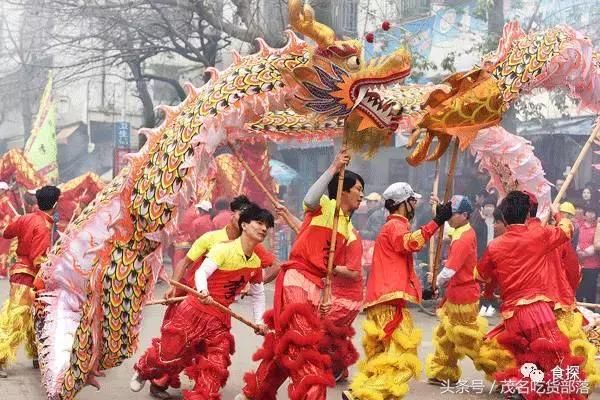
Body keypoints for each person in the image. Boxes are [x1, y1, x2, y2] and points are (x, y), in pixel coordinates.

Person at [237, 148, 363, 400]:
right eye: (358, 188)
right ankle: (312, 394)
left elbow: (326, 259)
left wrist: (326, 298)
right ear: (344, 189)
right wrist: (334, 167)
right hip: (297, 280)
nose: (361, 195)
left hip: (317, 288)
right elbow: (311, 197)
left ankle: (257, 390)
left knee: (289, 342)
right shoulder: (325, 206)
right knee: (305, 345)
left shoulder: (349, 229)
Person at [134, 197, 277, 398]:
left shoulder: (256, 255)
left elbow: (259, 292)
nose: (263, 229)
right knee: (172, 353)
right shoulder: (216, 242)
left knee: (215, 365)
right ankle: (148, 372)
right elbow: (195, 269)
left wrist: (258, 320)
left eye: (266, 226)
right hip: (194, 306)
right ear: (241, 220)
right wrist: (196, 291)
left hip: (219, 319)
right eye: (259, 223)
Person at [342, 182, 452, 400]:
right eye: (413, 201)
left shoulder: (393, 226)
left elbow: (402, 268)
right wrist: (437, 221)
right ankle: (363, 396)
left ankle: (358, 391)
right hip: (388, 303)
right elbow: (410, 244)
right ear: (404, 204)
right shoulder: (395, 226)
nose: (415, 205)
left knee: (386, 357)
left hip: (386, 301)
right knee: (404, 359)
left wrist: (424, 292)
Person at [476, 191, 587, 398]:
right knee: (558, 362)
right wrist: (558, 215)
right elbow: (566, 230)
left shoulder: (495, 245)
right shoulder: (538, 235)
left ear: (504, 216)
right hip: (536, 311)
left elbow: (480, 275)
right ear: (527, 214)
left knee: (528, 361)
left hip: (511, 316)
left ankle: (527, 391)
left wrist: (493, 286)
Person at [425, 195, 488, 386]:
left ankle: (499, 368)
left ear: (465, 215)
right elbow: (447, 229)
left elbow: (450, 270)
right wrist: (437, 207)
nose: (449, 217)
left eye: (453, 214)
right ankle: (443, 371)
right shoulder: (462, 230)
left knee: (468, 340)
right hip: (455, 295)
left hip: (464, 297)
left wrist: (434, 281)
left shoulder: (464, 237)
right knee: (446, 336)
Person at [0, 185, 61, 378]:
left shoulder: (27, 218)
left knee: (36, 317)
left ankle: (38, 356)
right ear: (56, 204)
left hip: (21, 273)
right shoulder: (43, 227)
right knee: (16, 320)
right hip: (28, 277)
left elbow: (7, 232)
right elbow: (38, 259)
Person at [576, 204, 600, 303]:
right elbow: (574, 239)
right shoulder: (579, 226)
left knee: (591, 290)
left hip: (592, 264)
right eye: (588, 212)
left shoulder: (597, 227)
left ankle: (591, 313)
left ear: (595, 215)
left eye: (592, 213)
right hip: (579, 263)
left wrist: (587, 252)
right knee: (579, 289)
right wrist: (577, 249)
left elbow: (597, 243)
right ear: (585, 214)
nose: (590, 214)